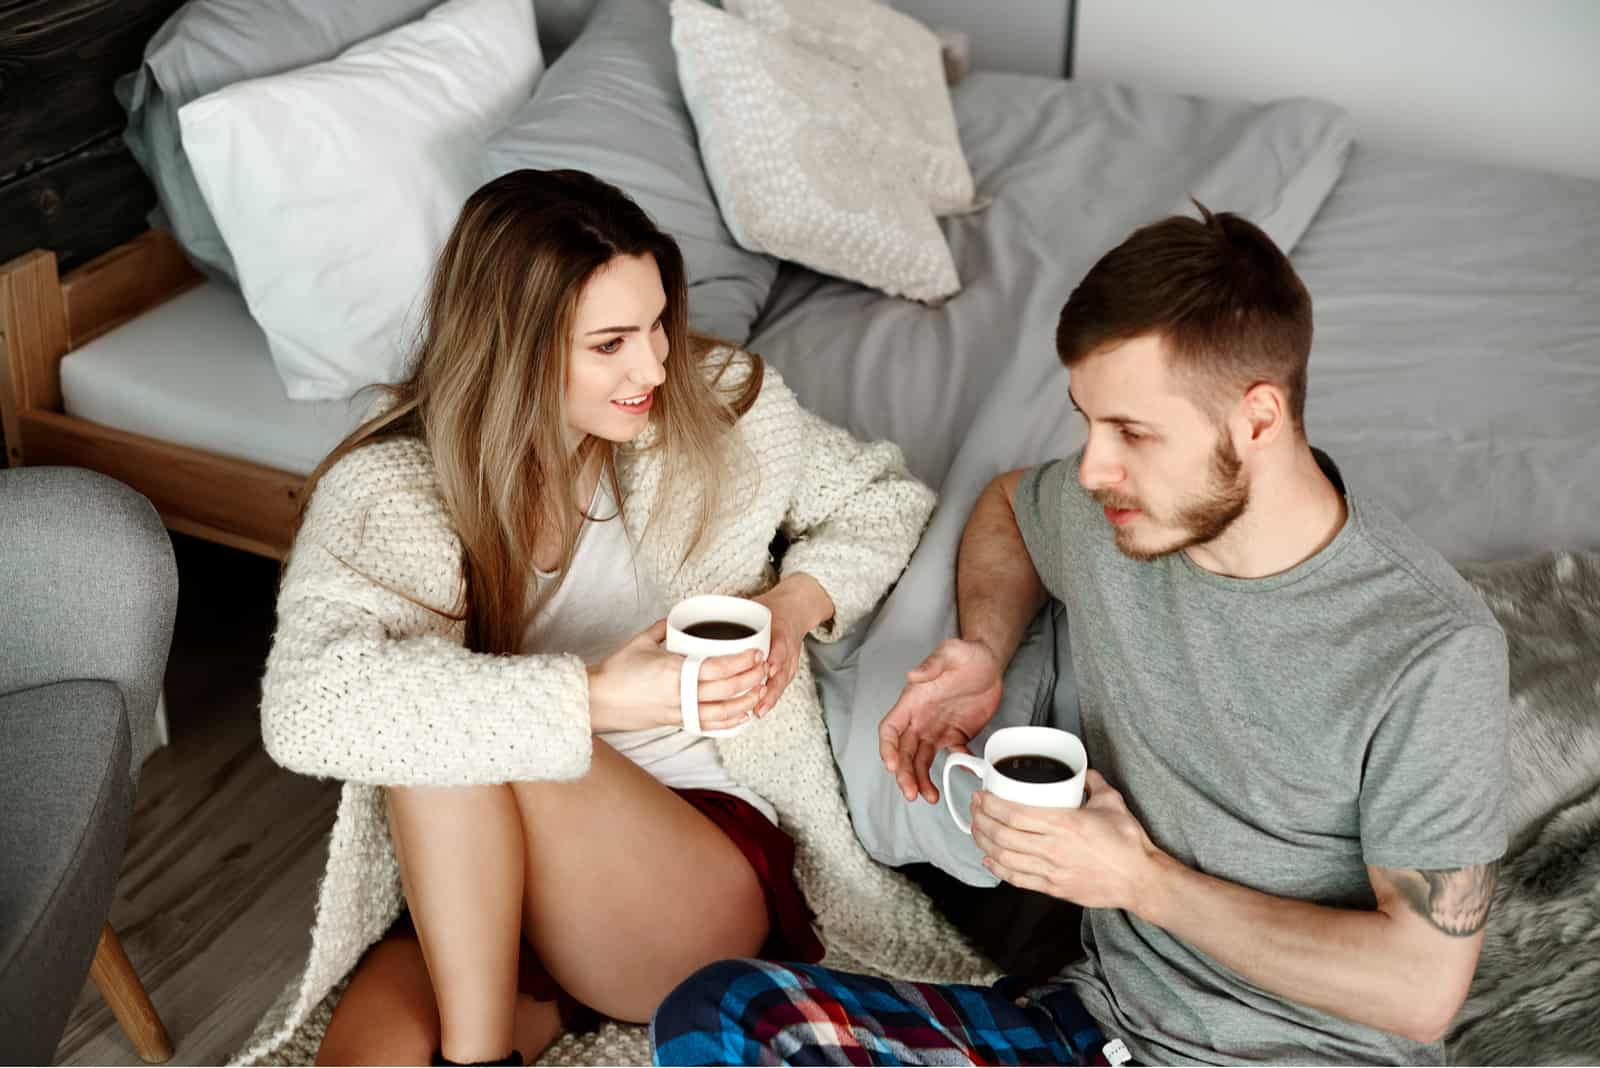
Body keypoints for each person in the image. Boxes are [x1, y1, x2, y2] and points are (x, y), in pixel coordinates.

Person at [651, 205, 1509, 1066]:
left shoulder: (1430, 650)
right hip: (1092, 1028)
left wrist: (1142, 883)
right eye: (1089, 422)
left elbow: (1422, 989)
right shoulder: (1120, 518)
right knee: (724, 1013)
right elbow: (1009, 510)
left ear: (1257, 420)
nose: (1095, 468)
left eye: (1133, 433)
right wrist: (986, 651)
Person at [249, 168, 953, 1066]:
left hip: (695, 846)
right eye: (611, 342)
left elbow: (883, 499)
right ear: (514, 348)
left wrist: (786, 607)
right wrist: (597, 699)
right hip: (491, 873)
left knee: (445, 728)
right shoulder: (396, 488)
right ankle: (500, 1029)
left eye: (657, 323)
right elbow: (306, 704)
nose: (653, 365)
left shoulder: (717, 400)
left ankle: (479, 1058)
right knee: (358, 1057)